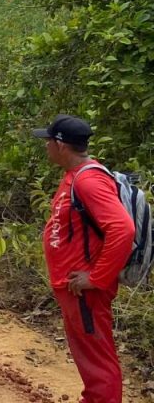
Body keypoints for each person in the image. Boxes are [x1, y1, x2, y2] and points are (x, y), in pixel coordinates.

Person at [34, 114, 134, 403]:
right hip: (74, 289)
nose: (46, 147)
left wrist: (96, 277)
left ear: (61, 145)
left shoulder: (89, 180)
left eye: (48, 141)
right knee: (88, 356)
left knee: (97, 360)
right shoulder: (76, 176)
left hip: (85, 291)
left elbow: (123, 228)